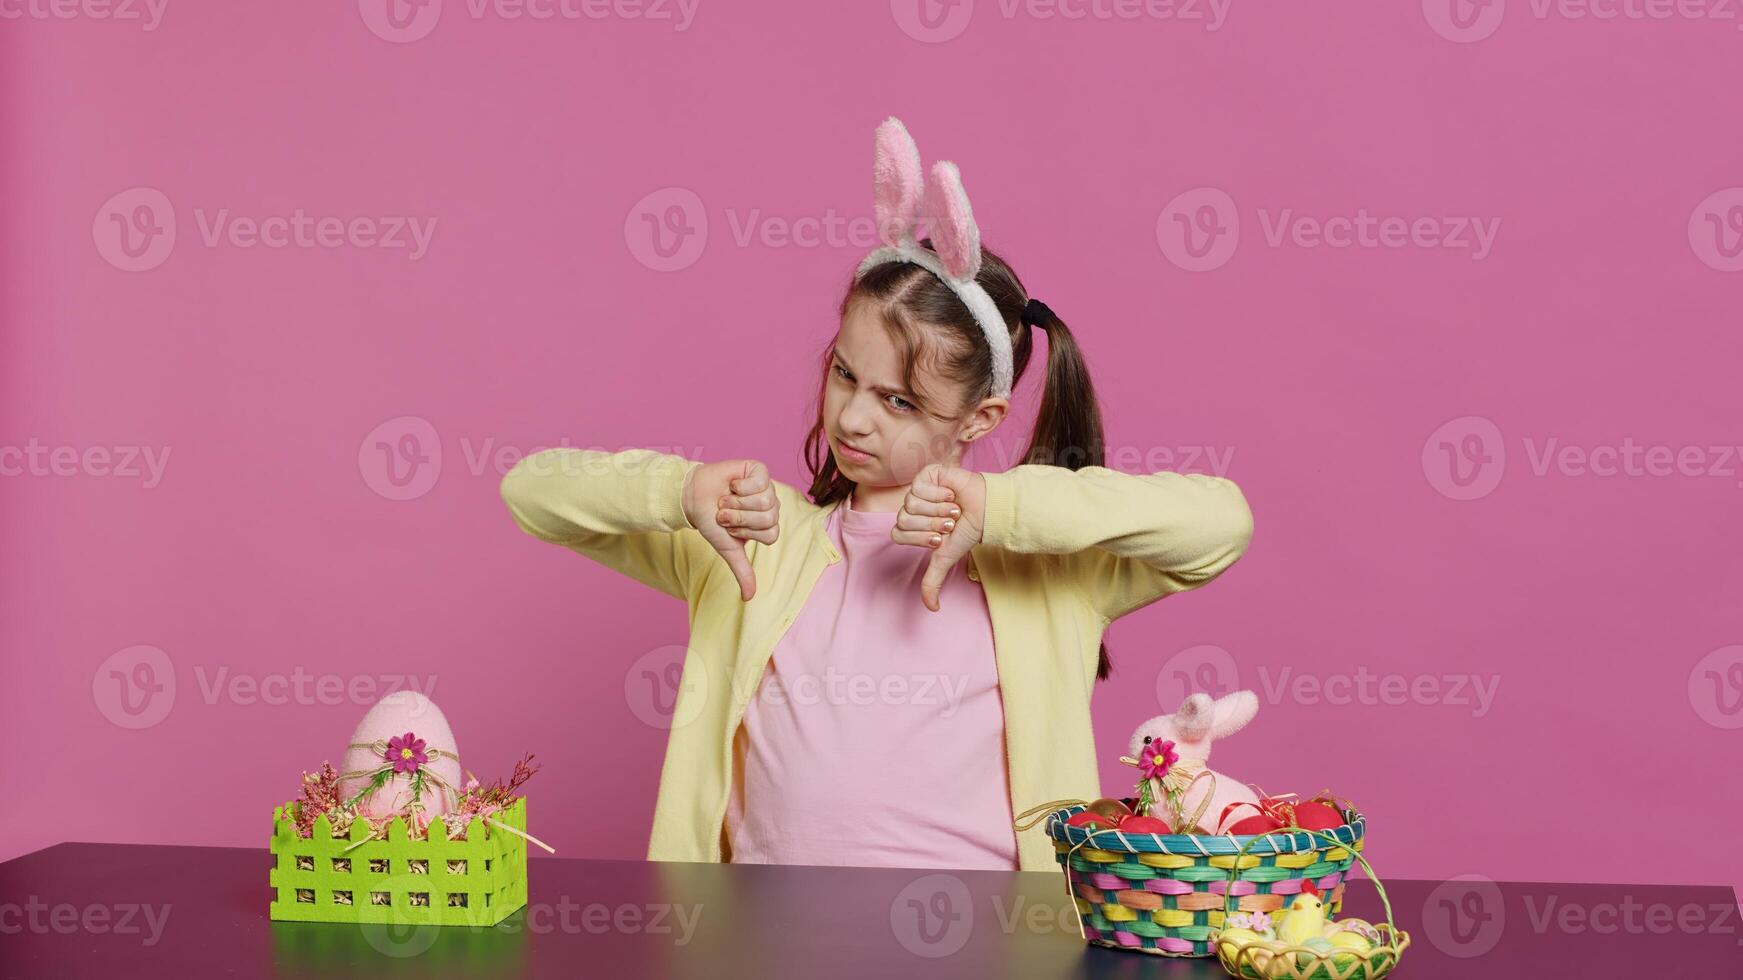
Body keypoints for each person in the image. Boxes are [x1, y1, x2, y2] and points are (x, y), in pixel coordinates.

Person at [498, 117, 1253, 872]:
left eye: (898, 401)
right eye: (843, 374)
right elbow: (531, 492)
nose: (852, 417)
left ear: (978, 419)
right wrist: (676, 490)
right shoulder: (755, 545)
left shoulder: (1045, 573)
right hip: (760, 941)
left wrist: (1000, 511)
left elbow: (1220, 523)